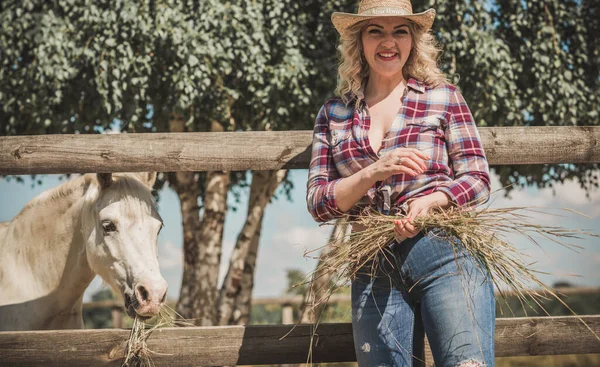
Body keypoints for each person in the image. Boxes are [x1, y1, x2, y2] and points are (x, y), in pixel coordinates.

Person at [306, 0, 495, 366]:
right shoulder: (334, 114)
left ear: (413, 40)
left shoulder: (444, 97)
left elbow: (477, 179)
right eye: (375, 30)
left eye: (399, 31)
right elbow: (318, 202)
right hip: (371, 263)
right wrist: (372, 172)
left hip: (444, 253)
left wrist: (433, 201)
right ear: (359, 41)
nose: (387, 41)